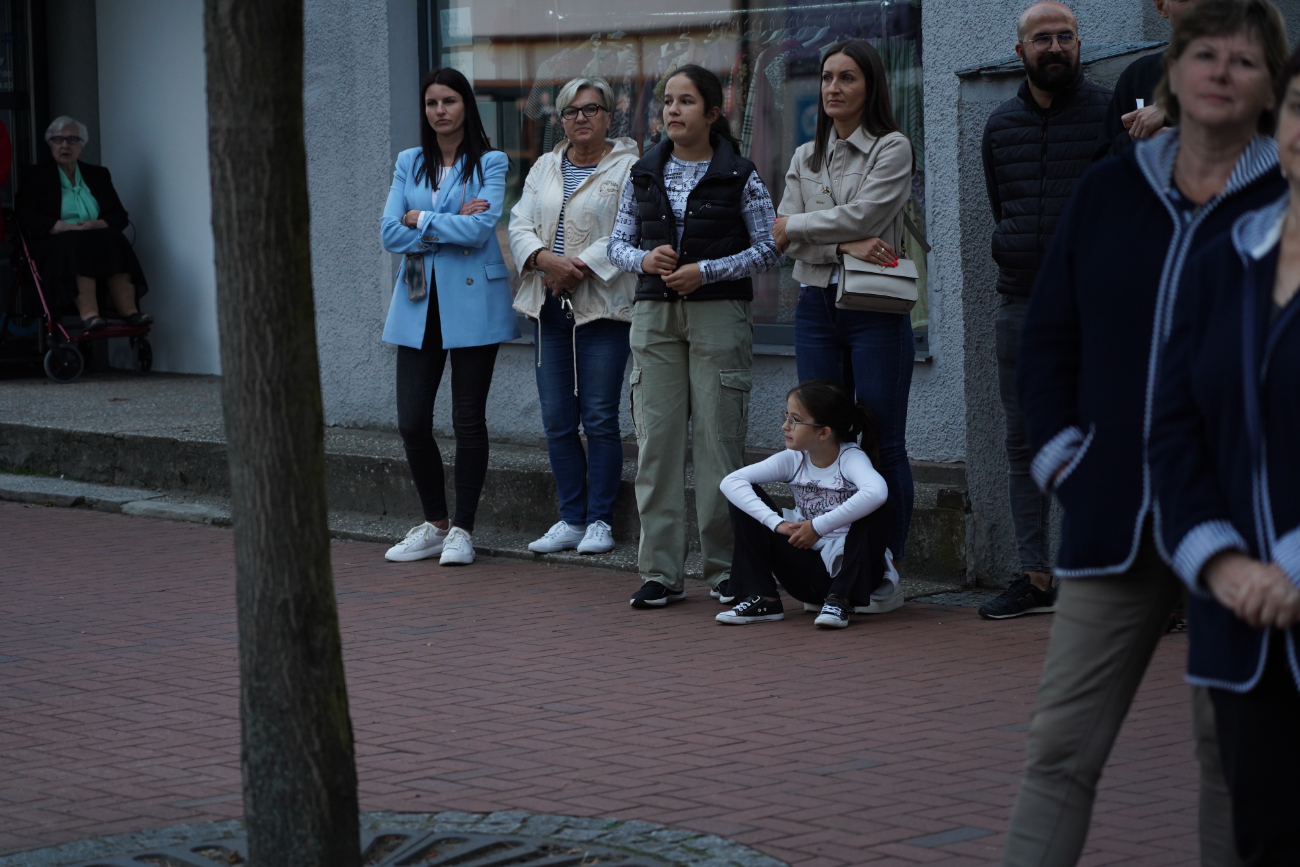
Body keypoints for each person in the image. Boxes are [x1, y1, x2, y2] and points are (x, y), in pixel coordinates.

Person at [1006, 2, 1288, 865]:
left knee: (1230, 761)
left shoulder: (1287, 198)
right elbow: (1047, 343)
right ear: (1172, 66)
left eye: (1245, 61)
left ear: (1271, 84)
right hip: (1114, 509)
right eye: (1205, 54)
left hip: (1246, 532)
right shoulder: (1110, 189)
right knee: (1059, 750)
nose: (1221, 73)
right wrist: (1067, 465)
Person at [1151, 46, 1300, 865]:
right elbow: (1174, 431)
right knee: (1265, 837)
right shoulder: (1223, 260)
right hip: (1239, 623)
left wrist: (1294, 566)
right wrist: (1220, 562)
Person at [607, 64, 782, 609]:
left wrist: (707, 271)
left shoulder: (741, 173)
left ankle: (726, 570)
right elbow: (616, 246)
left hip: (719, 315)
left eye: (686, 102)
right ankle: (660, 571)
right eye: (667, 102)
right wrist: (645, 258)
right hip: (654, 316)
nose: (673, 111)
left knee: (718, 445)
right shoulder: (642, 172)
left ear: (712, 112)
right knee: (656, 446)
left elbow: (772, 248)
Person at [976, 2, 1111, 621]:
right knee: (1024, 442)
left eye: (1065, 36)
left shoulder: (1111, 112)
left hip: (1098, 308)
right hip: (1022, 304)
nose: (1055, 47)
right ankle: (1035, 576)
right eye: (1042, 39)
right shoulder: (1000, 125)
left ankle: (1115, 579)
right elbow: (1002, 206)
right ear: (1019, 50)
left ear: (1080, 43)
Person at [772, 39, 913, 616]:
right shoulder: (805, 155)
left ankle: (884, 571)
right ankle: (833, 565)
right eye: (827, 78)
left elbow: (855, 218)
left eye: (847, 78)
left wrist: (808, 229)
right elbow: (776, 236)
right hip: (815, 307)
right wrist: (843, 239)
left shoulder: (892, 147)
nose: (833, 88)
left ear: (869, 86)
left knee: (884, 443)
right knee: (822, 440)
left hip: (874, 311)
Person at [380, 67, 518, 568]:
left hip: (473, 301)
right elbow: (389, 233)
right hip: (419, 302)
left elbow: (482, 230)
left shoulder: (492, 161)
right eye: (432, 103)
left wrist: (423, 220)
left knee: (467, 419)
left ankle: (462, 528)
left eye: (450, 101)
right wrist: (446, 224)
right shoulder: (409, 162)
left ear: (466, 106)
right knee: (411, 421)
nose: (440, 110)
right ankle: (434, 522)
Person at [508, 76, 639, 557]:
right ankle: (570, 517)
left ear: (609, 116)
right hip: (548, 307)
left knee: (600, 417)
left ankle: (600, 520)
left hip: (603, 307)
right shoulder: (545, 164)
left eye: (591, 109)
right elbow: (518, 221)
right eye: (571, 111)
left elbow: (632, 228)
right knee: (557, 419)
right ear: (560, 119)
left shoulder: (630, 167)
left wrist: (576, 268)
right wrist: (546, 261)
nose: (580, 118)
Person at [716, 379, 891, 629]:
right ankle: (763, 598)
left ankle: (840, 600)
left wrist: (817, 527)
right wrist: (776, 524)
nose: (785, 425)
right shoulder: (794, 458)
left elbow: (877, 493)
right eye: (787, 416)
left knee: (882, 505)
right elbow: (731, 482)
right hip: (805, 572)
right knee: (743, 496)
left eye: (795, 420)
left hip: (851, 573)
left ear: (823, 432)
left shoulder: (849, 458)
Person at [17, 116, 151, 331]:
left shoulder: (98, 175)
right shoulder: (35, 176)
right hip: (55, 243)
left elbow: (120, 216)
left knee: (115, 238)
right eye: (58, 140)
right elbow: (26, 217)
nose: (64, 145)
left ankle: (130, 312)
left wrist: (100, 223)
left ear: (81, 145)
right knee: (73, 242)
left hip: (96, 240)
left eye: (71, 140)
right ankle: (90, 315)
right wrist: (60, 226)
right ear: (50, 144)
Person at [1093, 0, 1194, 161]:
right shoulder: (1137, 75)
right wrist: (1139, 139)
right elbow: (1102, 167)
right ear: (1161, 6)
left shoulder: (1242, 71)